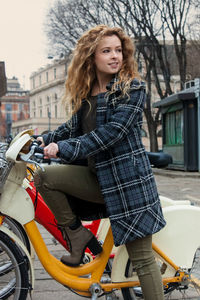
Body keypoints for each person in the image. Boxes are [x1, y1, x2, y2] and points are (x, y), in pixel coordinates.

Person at [34, 24, 166, 300]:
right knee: (44, 177)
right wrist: (45, 139)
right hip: (98, 181)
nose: (114, 56)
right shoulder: (88, 92)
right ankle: (77, 235)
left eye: (118, 50)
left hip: (129, 188)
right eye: (106, 51)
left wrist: (64, 148)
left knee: (141, 258)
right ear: (91, 56)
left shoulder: (133, 88)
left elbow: (111, 134)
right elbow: (72, 127)